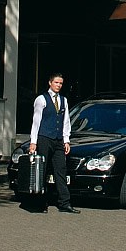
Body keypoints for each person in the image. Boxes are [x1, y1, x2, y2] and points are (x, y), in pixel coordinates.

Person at [28, 73, 77, 213]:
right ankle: (40, 203)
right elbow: (36, 122)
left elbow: (66, 121)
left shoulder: (64, 100)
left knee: (60, 170)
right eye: (56, 82)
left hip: (58, 140)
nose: (58, 85)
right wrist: (33, 142)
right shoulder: (41, 99)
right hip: (44, 138)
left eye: (61, 83)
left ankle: (64, 203)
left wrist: (66, 140)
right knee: (42, 170)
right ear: (50, 83)